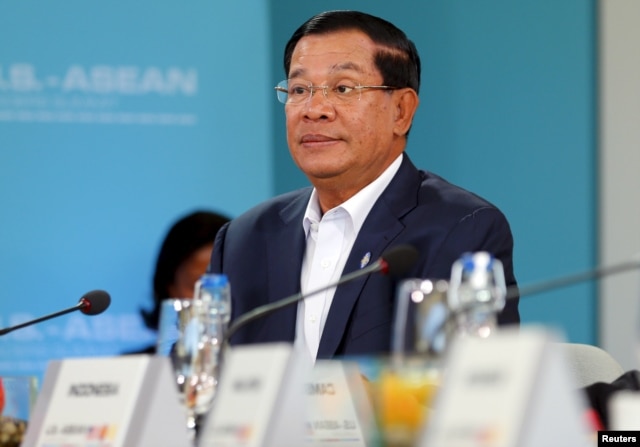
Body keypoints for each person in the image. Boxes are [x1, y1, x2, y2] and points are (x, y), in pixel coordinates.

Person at [209, 10, 519, 361]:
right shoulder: (244, 239)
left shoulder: (461, 229)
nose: (314, 110)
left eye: (342, 88)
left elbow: (475, 390)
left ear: (401, 111)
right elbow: (199, 382)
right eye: (299, 89)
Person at [131, 210, 231, 354]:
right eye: (198, 287)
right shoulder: (133, 370)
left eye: (221, 287)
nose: (210, 302)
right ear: (170, 287)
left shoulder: (267, 358)